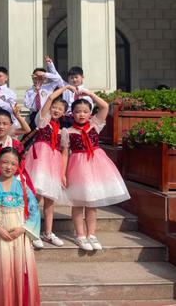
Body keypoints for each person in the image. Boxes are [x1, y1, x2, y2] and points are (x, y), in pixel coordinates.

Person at [63, 90, 130, 251]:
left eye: (85, 112)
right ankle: (80, 235)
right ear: (72, 113)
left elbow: (105, 106)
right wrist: (63, 174)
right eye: (78, 111)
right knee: (78, 202)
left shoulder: (95, 125)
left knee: (92, 203)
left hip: (95, 165)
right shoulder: (67, 131)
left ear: (90, 113)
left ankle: (91, 234)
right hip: (77, 167)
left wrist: (89, 94)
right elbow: (65, 154)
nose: (81, 114)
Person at [0, 147, 41, 306]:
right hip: (0, 237)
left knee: (20, 271)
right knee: (2, 272)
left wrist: (23, 229)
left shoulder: (23, 186)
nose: (9, 167)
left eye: (13, 164)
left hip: (20, 238)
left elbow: (34, 210)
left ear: (19, 166)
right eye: (5, 162)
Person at [25, 86, 71, 249]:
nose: (56, 110)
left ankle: (48, 232)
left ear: (64, 113)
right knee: (35, 197)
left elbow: (64, 153)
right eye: (54, 107)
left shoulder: (63, 131)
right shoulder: (43, 121)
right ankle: (32, 231)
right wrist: (65, 87)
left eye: (60, 109)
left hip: (54, 163)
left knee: (50, 200)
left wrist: (63, 174)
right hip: (39, 161)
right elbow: (50, 98)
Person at [23, 56, 64, 129]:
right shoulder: (30, 91)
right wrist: (35, 92)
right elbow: (27, 105)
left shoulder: (48, 87)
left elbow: (59, 80)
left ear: (45, 78)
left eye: (40, 77)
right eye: (36, 77)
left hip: (47, 113)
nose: (38, 79)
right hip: (34, 114)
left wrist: (48, 69)